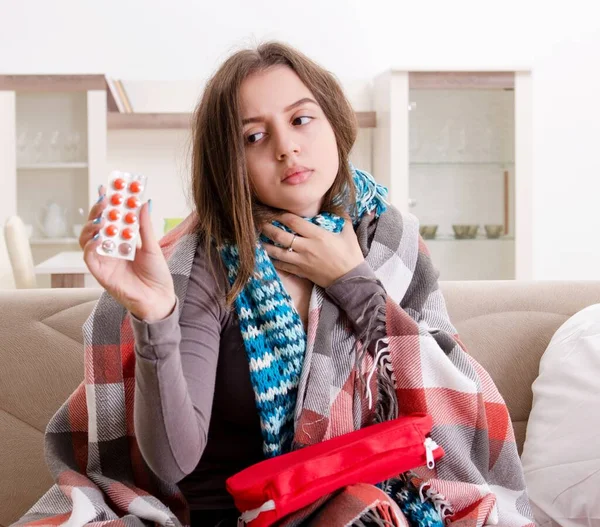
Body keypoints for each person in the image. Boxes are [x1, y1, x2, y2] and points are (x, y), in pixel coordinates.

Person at [69, 42, 531, 527]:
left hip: (373, 505)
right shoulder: (207, 263)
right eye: (253, 136)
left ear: (333, 121)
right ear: (230, 162)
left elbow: (453, 402)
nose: (285, 147)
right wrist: (156, 315)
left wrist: (353, 283)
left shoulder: (389, 239)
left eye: (301, 119)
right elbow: (171, 463)